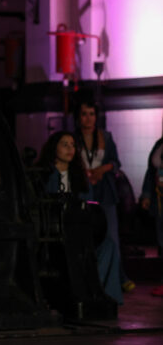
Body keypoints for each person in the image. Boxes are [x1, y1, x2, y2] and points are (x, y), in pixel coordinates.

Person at [37, 131, 124, 304]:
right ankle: (83, 291)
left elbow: (88, 205)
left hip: (79, 228)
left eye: (72, 145)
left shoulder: (79, 176)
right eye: (65, 145)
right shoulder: (44, 174)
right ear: (54, 148)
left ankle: (102, 295)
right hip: (54, 230)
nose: (70, 149)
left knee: (108, 245)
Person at [74, 98, 135, 294]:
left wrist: (102, 169)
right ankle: (92, 279)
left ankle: (119, 277)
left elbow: (116, 163)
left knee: (111, 237)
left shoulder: (105, 137)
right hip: (84, 190)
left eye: (92, 114)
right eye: (84, 114)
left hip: (105, 191)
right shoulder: (73, 139)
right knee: (87, 237)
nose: (88, 118)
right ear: (78, 117)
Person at [139, 137, 163, 296]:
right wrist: (146, 195)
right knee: (161, 241)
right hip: (159, 199)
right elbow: (150, 172)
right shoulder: (160, 144)